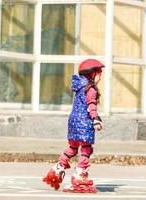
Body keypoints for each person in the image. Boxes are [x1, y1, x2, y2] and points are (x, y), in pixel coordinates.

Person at [42, 59, 104, 193]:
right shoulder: (91, 89)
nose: (101, 77)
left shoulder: (79, 85)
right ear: (92, 74)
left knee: (73, 147)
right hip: (84, 122)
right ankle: (79, 175)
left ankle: (57, 169)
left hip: (73, 121)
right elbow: (91, 104)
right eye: (99, 74)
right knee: (86, 148)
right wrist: (96, 119)